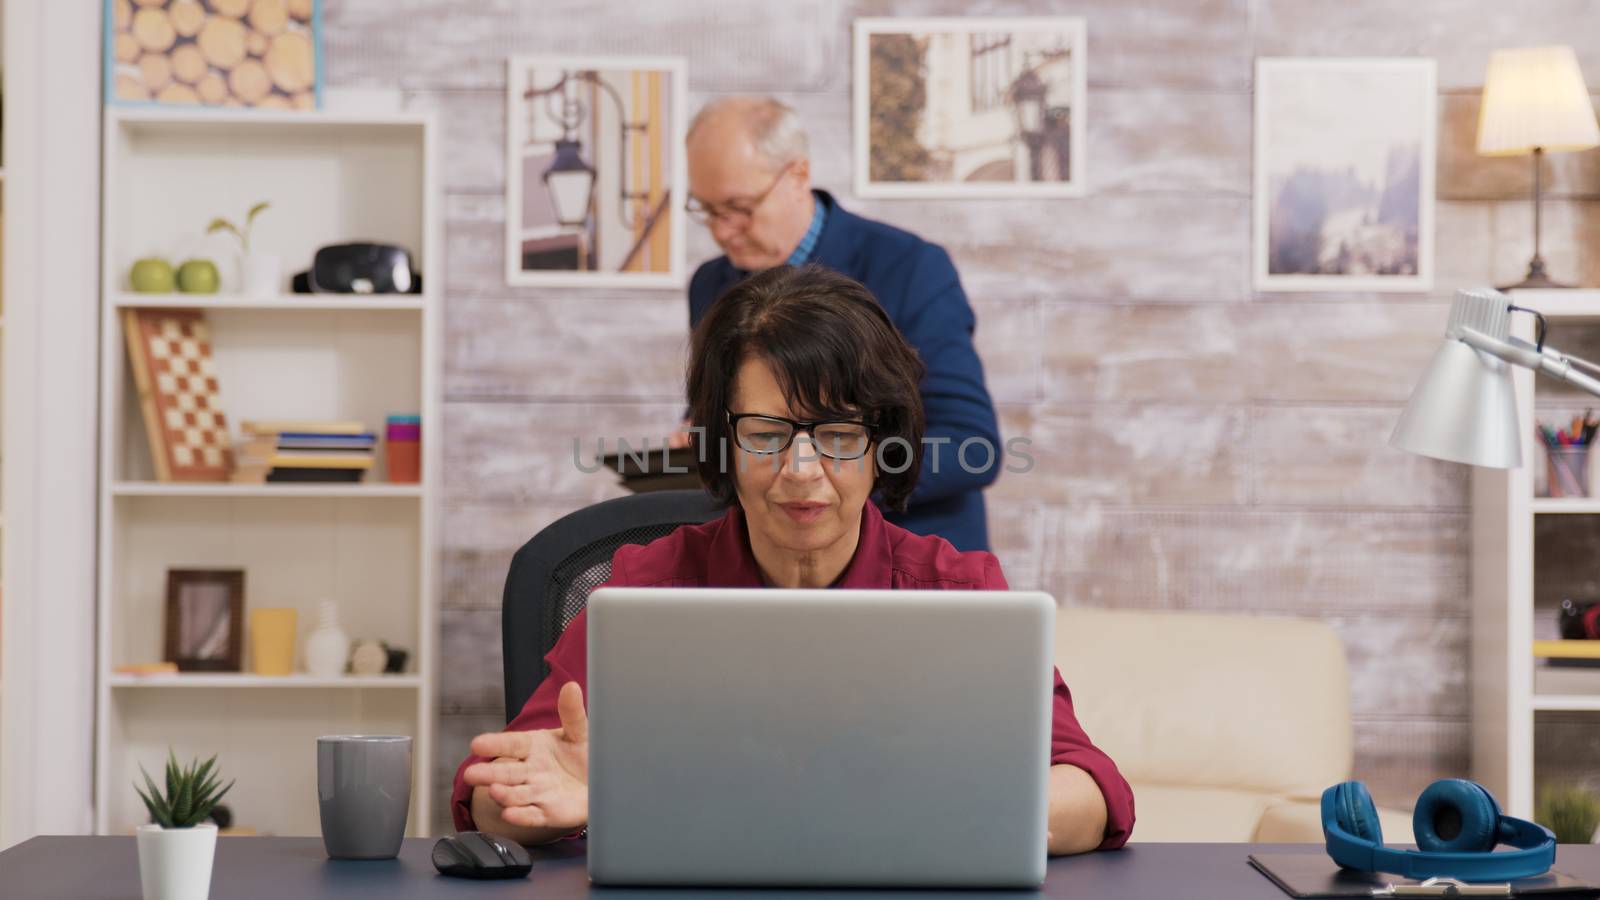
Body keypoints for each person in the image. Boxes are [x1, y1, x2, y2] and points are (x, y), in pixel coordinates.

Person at [453, 265, 1134, 855]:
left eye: (837, 433)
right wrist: (567, 794)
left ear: (883, 445)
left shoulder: (955, 588)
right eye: (766, 434)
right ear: (719, 441)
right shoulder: (643, 587)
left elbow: (1091, 791)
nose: (802, 469)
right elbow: (487, 797)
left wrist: (948, 811)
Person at [676, 96, 1000, 552]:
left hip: (909, 562)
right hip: (768, 563)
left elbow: (972, 446)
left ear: (798, 175)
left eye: (740, 207)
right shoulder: (711, 284)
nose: (723, 231)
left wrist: (829, 485)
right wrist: (699, 438)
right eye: (707, 210)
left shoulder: (911, 268)